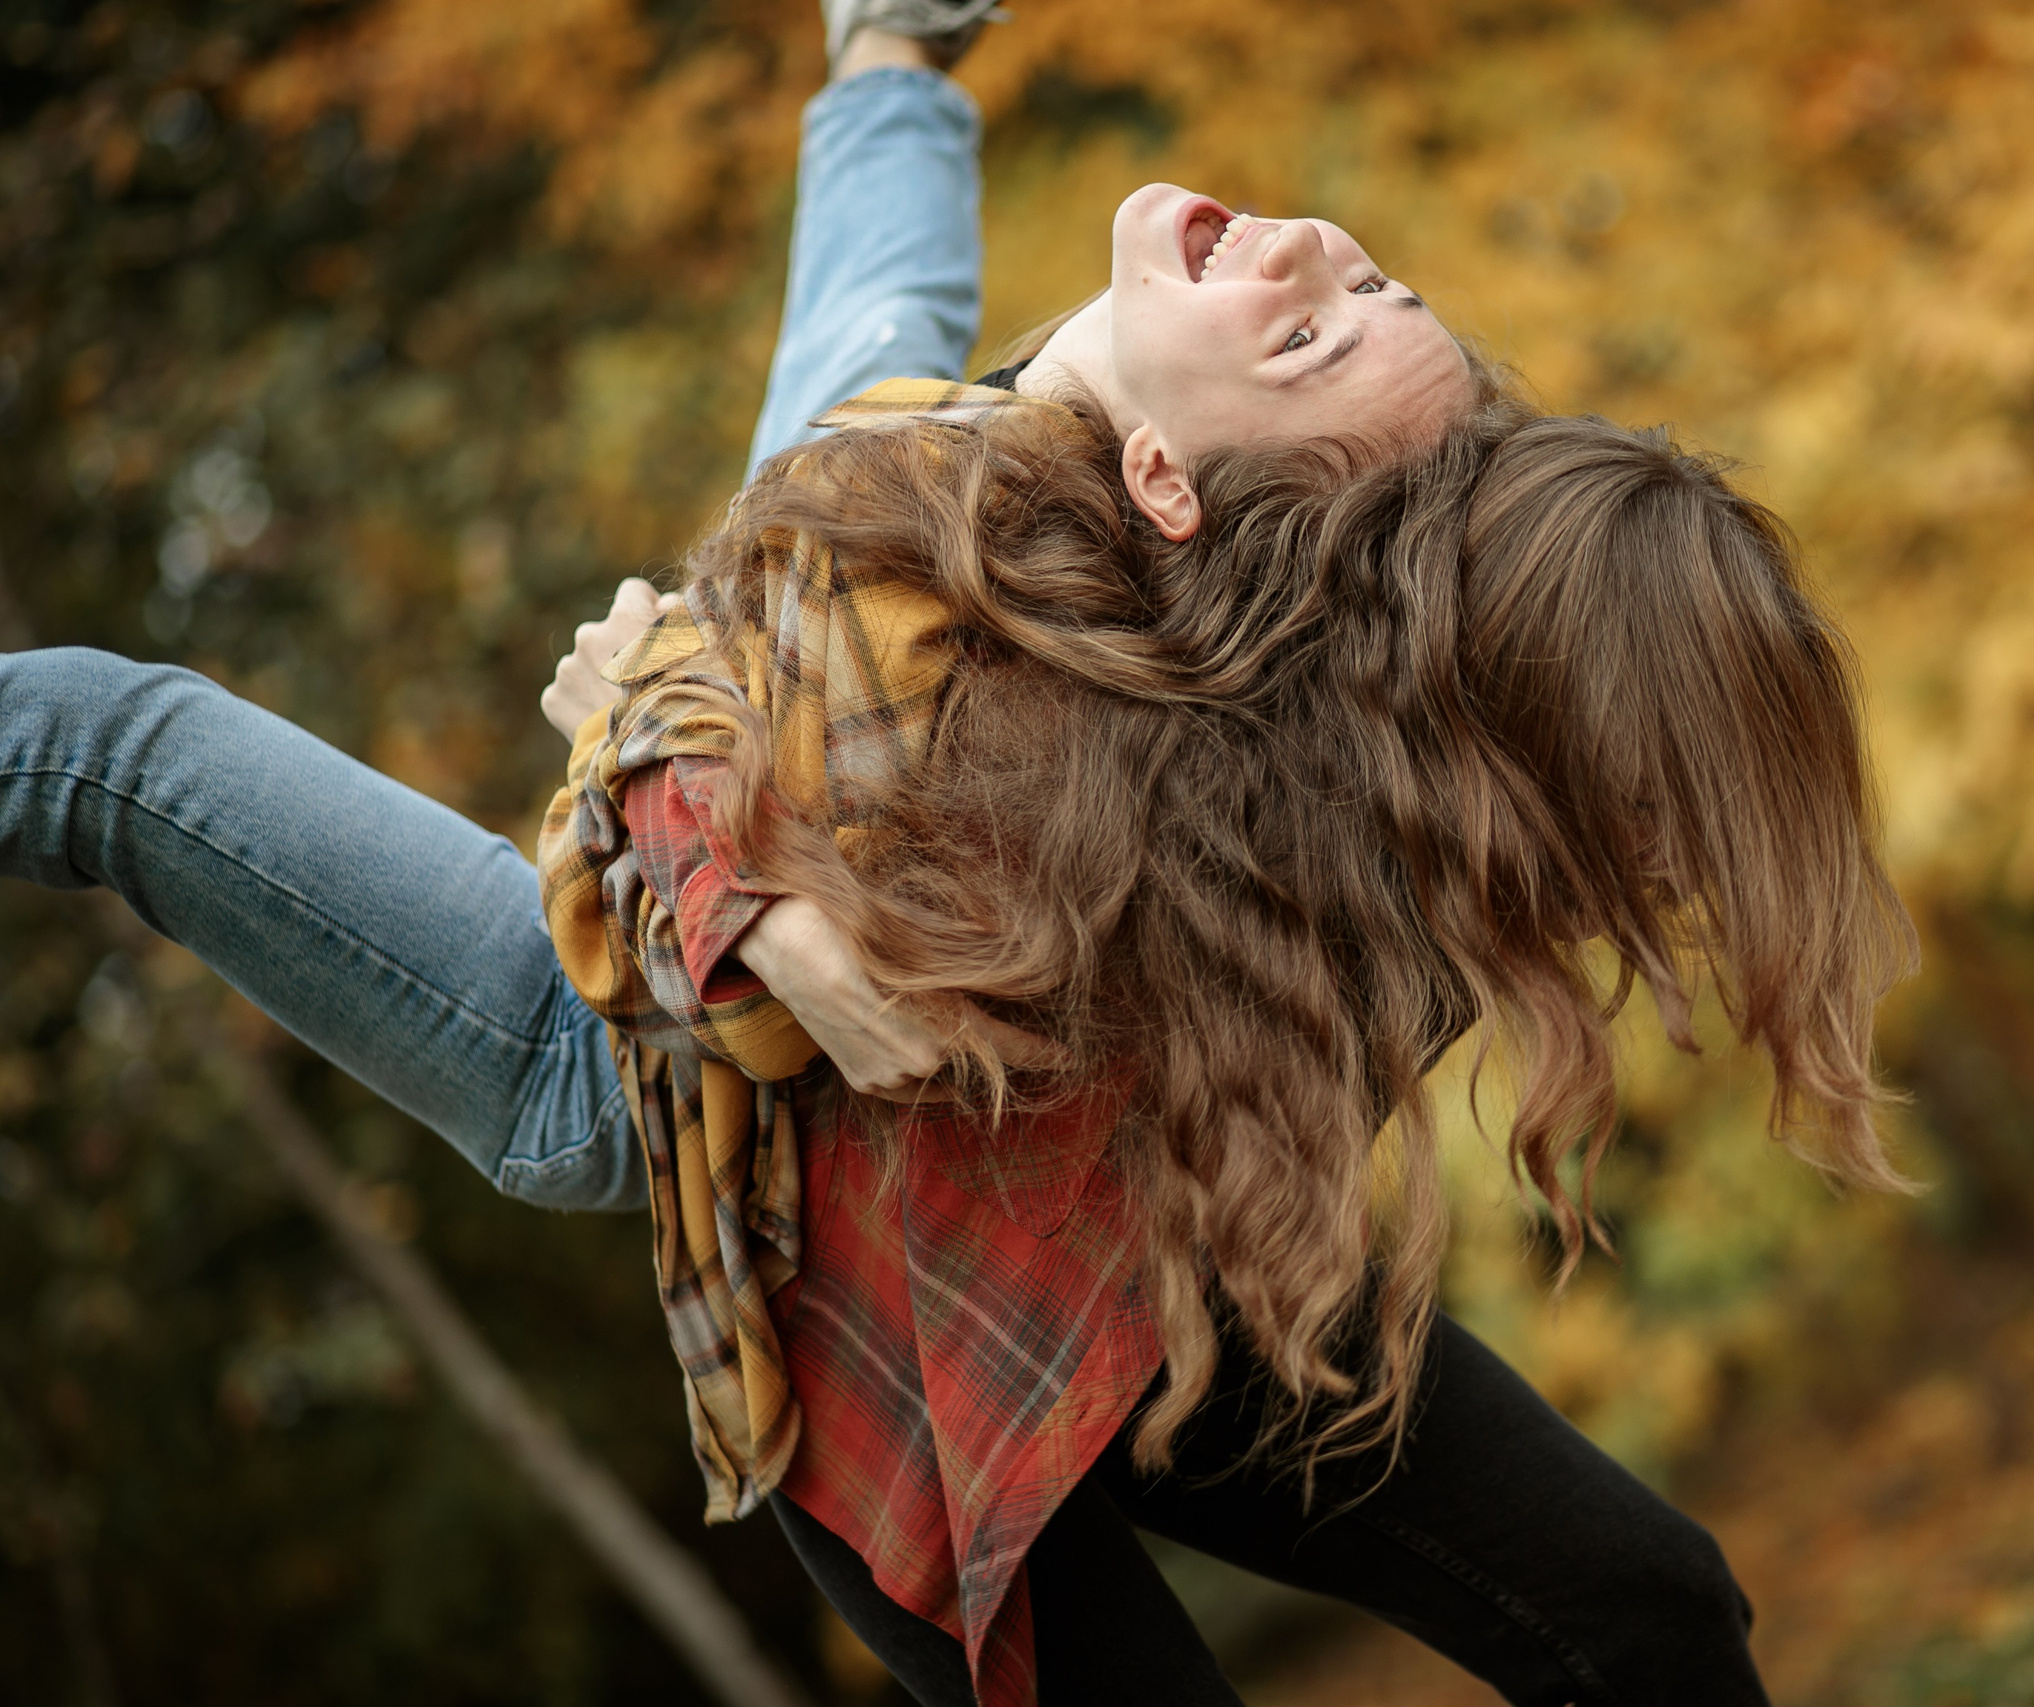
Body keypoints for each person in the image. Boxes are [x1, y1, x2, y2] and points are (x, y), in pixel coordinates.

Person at [0, 6, 1913, 1703]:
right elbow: (699, 737)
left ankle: (888, 56)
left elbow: (730, 726)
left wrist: (661, 745)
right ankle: (891, 51)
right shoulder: (901, 521)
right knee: (126, 718)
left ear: (1168, 484)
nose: (1321, 245)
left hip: (1142, 1239)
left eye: (1323, 327)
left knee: (1649, 1611)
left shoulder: (1104, 707)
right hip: (866, 1285)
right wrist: (683, 801)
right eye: (1356, 295)